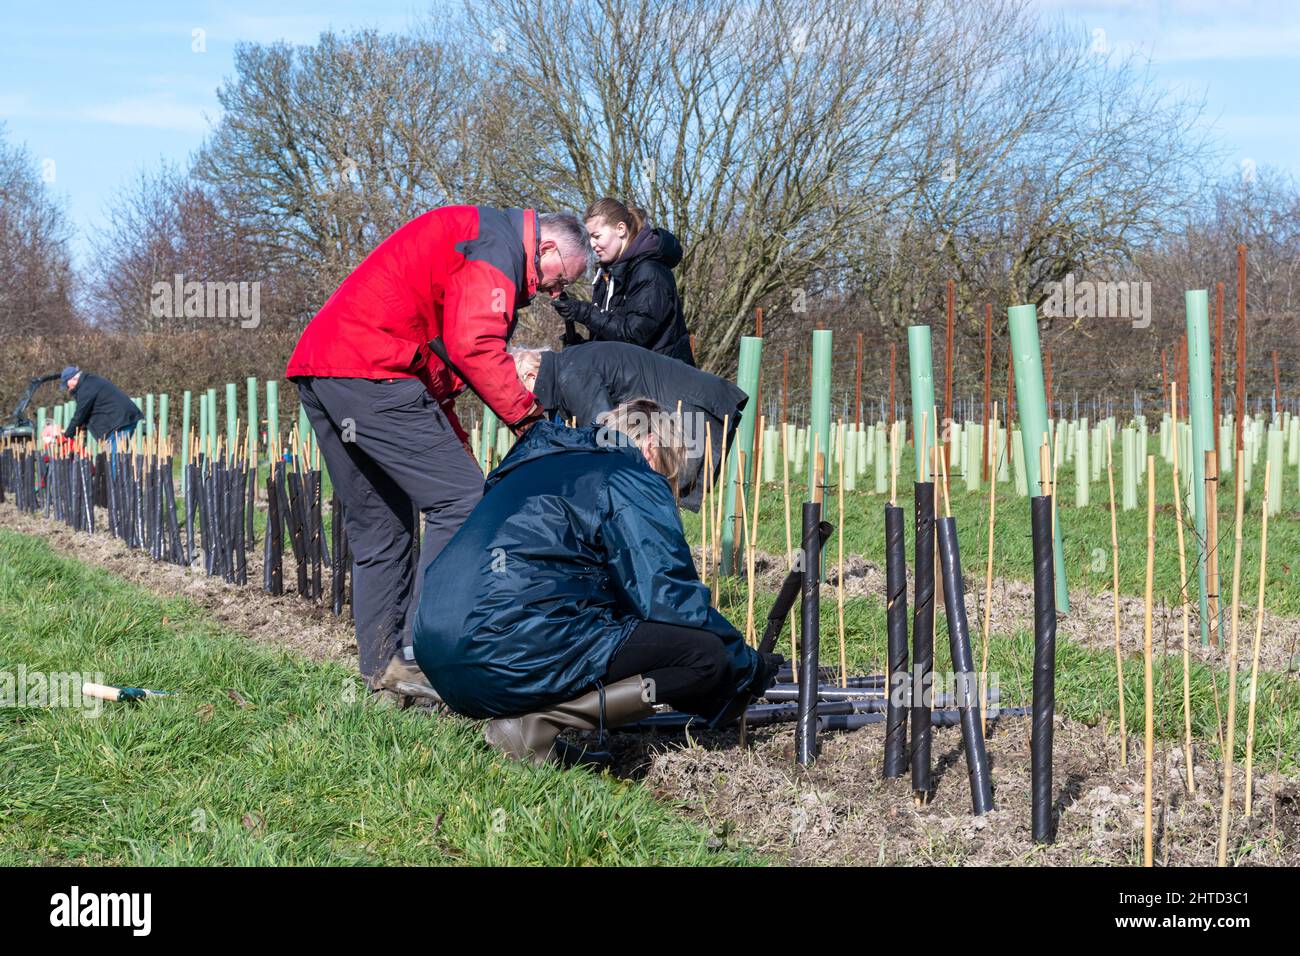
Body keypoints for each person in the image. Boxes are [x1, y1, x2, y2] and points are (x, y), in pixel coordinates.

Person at [285, 205, 590, 698]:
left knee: (382, 526)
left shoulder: (476, 236)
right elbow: (474, 346)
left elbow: (437, 375)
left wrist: (461, 445)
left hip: (328, 369)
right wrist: (531, 424)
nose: (553, 294)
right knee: (465, 501)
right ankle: (420, 656)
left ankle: (384, 678)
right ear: (548, 248)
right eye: (559, 281)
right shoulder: (498, 245)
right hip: (373, 369)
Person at [412, 399, 782, 766]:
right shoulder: (626, 475)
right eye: (669, 473)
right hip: (505, 650)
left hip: (440, 656)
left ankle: (535, 732)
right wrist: (743, 663)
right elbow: (668, 598)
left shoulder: (534, 465)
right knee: (704, 658)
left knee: (604, 634)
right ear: (651, 447)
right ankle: (538, 724)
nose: (668, 487)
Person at [511, 341, 746, 511]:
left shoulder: (573, 376)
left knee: (656, 490)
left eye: (519, 394)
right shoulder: (570, 364)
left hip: (687, 410)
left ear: (532, 376)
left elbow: (605, 439)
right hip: (680, 407)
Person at [553, 198, 695, 365]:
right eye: (590, 237)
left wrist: (584, 312)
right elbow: (612, 337)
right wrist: (582, 347)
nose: (592, 244)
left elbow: (634, 335)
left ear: (620, 229)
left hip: (659, 383)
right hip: (633, 378)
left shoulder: (649, 272)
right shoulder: (607, 274)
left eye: (596, 236)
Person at [60, 367, 143, 475]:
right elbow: (92, 410)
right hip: (116, 423)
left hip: (120, 423)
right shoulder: (89, 382)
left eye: (67, 385)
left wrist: (66, 436)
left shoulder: (86, 387)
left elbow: (80, 414)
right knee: (109, 458)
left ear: (73, 379)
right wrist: (82, 428)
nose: (68, 389)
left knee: (114, 460)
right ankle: (114, 486)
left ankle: (116, 488)